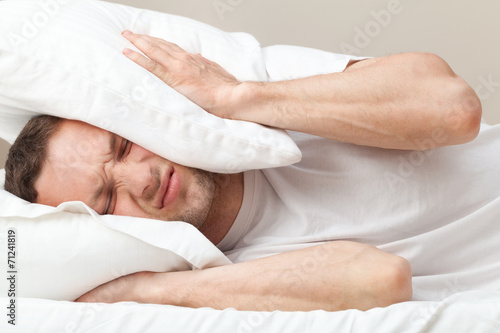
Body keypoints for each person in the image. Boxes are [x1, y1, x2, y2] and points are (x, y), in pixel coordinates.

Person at [5, 31, 492, 312]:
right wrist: (142, 291)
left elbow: (453, 108)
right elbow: (382, 279)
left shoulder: (252, 87)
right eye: (108, 199)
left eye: (125, 146)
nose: (143, 180)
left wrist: (237, 98)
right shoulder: (223, 277)